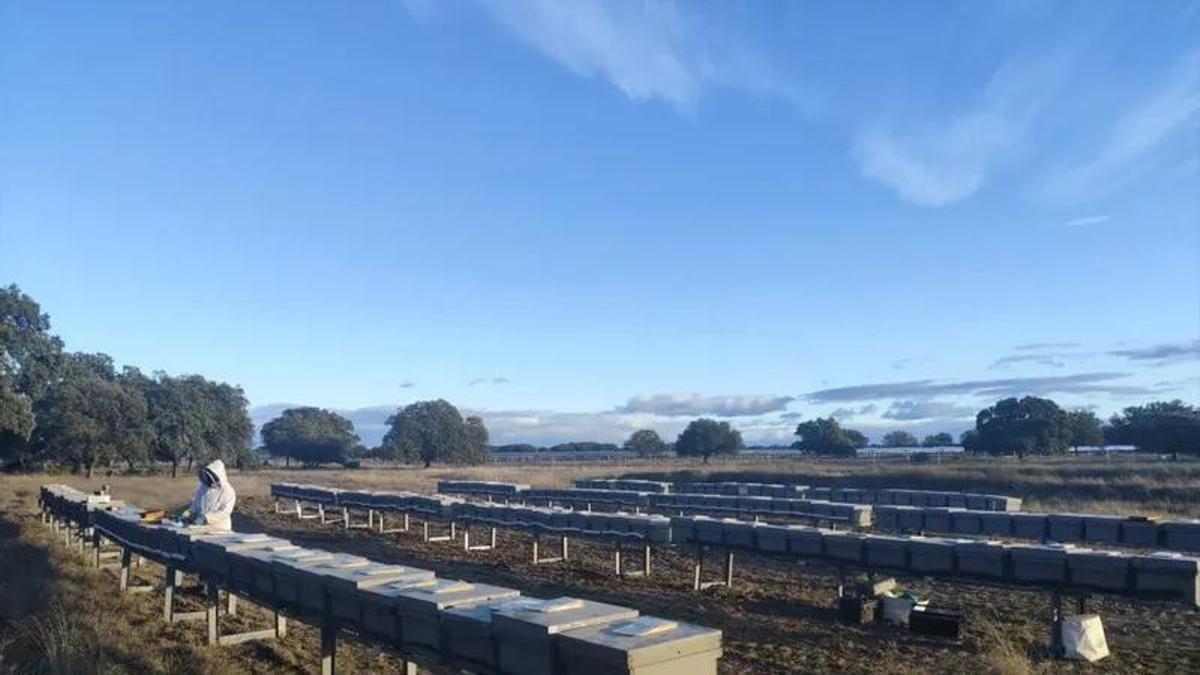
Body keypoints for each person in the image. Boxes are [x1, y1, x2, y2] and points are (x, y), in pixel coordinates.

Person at [184, 459, 237, 531]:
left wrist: (206, 518)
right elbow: (194, 505)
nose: (207, 479)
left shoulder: (228, 491)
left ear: (218, 476)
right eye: (206, 476)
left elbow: (224, 512)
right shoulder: (203, 488)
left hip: (221, 529)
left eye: (209, 477)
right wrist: (185, 514)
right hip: (201, 528)